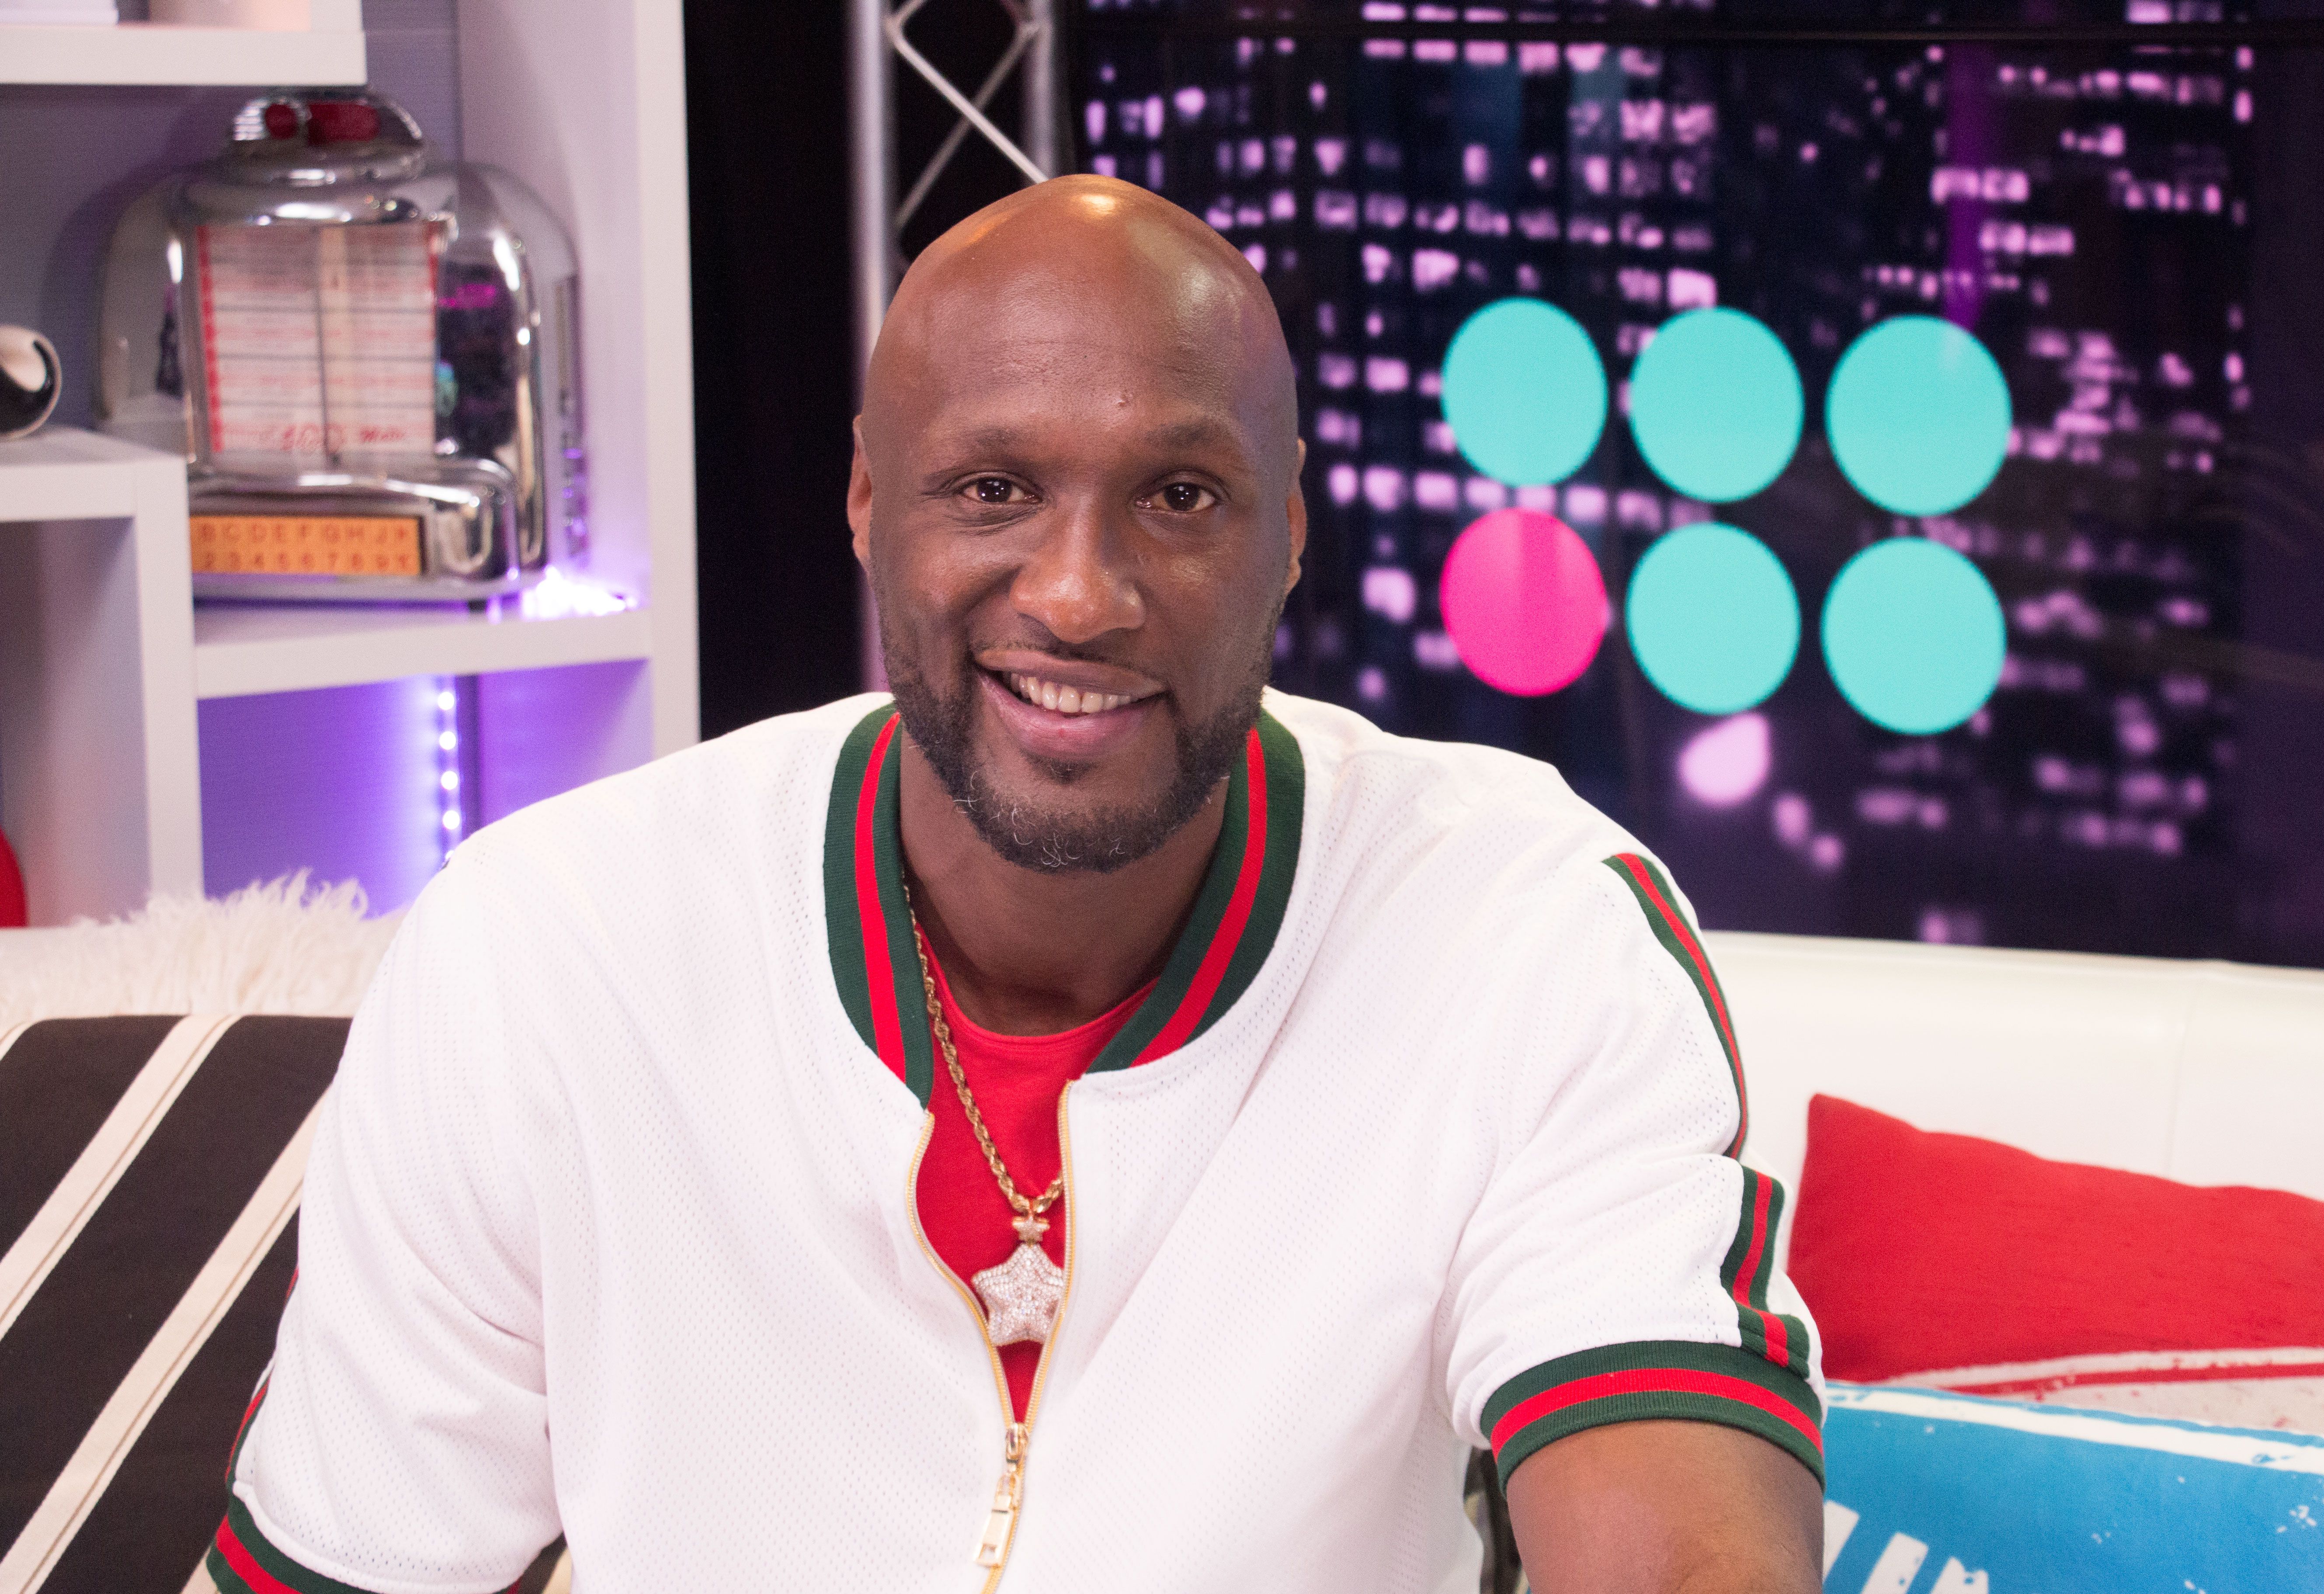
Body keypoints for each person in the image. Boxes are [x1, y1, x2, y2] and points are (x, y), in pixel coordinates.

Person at [208, 176, 1824, 1594]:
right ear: (864, 504)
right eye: (993, 491)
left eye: (1179, 498)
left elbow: (1684, 1549)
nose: (1079, 592)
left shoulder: (1526, 924)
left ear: (1290, 538)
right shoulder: (546, 950)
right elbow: (362, 1558)